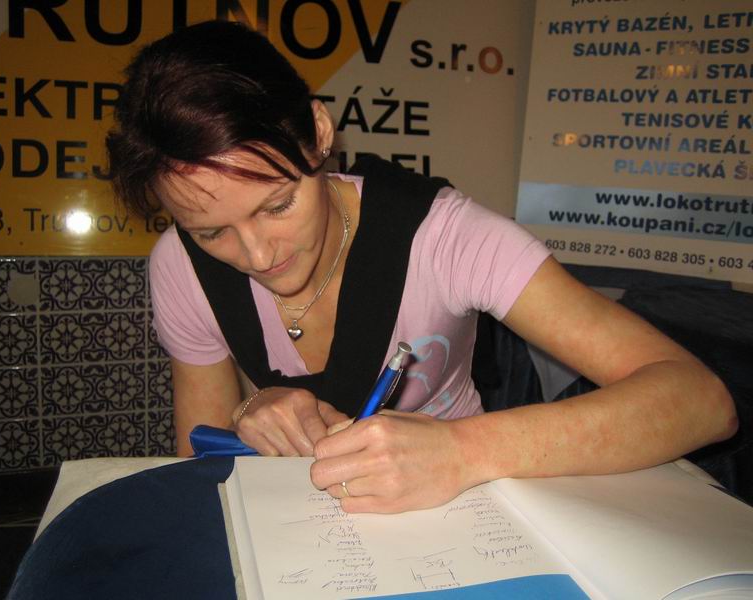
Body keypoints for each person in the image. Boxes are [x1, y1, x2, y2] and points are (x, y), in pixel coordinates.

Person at [106, 20, 737, 514]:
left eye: (277, 205)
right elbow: (200, 458)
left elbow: (701, 401)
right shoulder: (180, 266)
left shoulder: (445, 237)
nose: (259, 256)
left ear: (318, 133)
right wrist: (248, 412)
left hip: (468, 508)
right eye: (212, 231)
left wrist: (461, 451)